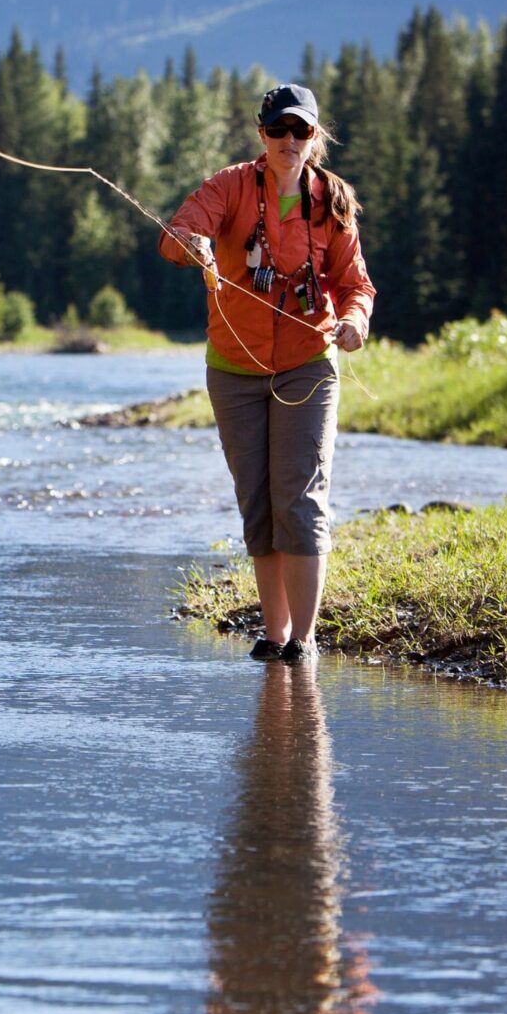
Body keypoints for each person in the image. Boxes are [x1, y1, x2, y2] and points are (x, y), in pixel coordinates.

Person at [159, 84, 374, 664]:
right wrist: (194, 245)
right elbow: (177, 235)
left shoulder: (332, 201)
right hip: (233, 367)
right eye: (278, 129)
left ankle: (303, 641)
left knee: (298, 499)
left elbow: (356, 286)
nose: (288, 140)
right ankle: (273, 634)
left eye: (300, 130)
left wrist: (355, 321)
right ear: (262, 135)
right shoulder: (228, 186)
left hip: (307, 363)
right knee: (258, 502)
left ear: (315, 137)